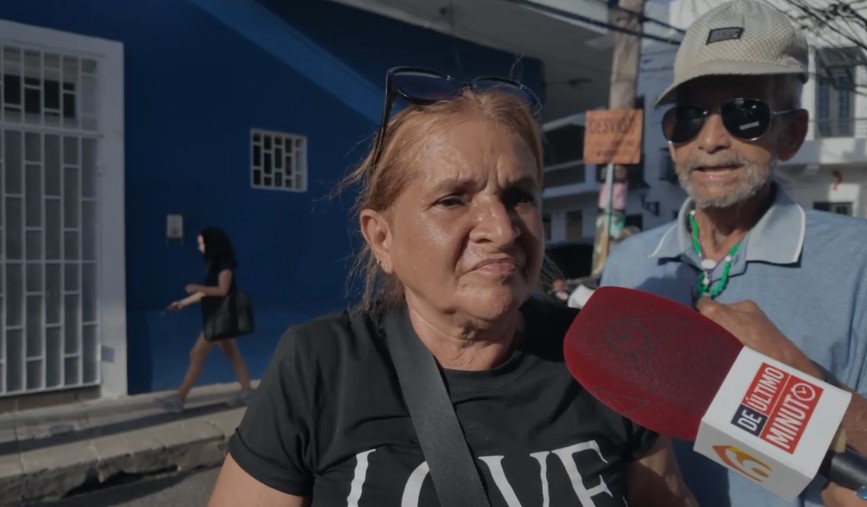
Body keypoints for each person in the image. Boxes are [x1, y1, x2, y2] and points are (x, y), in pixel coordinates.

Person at [208, 67, 698, 506]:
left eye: (519, 196)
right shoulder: (320, 365)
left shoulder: (606, 354)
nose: (503, 230)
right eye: (452, 200)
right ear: (382, 238)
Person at [600, 1, 867, 506]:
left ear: (793, 132)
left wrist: (798, 377)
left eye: (746, 113)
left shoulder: (858, 262)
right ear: (671, 137)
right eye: (691, 116)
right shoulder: (629, 266)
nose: (712, 140)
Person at [155, 227, 254, 413]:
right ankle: (247, 391)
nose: (200, 247)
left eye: (202, 243)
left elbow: (223, 290)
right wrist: (182, 303)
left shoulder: (225, 264)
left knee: (196, 354)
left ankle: (179, 399)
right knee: (233, 354)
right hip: (217, 317)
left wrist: (196, 287)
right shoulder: (214, 263)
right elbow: (206, 291)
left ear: (212, 243)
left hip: (219, 318)